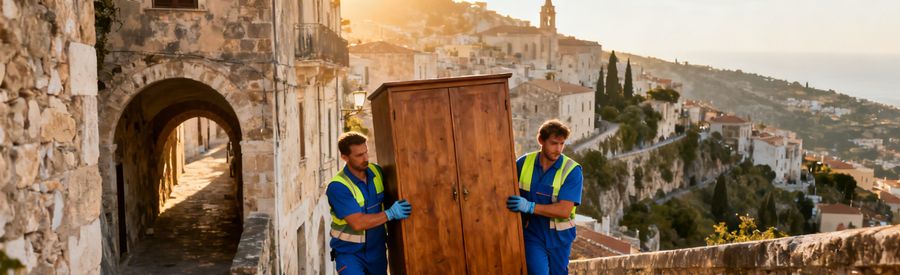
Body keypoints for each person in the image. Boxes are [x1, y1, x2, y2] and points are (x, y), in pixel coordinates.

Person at [327, 132, 412, 275]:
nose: (366, 158)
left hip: (377, 251)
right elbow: (358, 223)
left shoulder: (376, 171)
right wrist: (390, 213)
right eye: (359, 155)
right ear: (344, 157)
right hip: (350, 254)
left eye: (366, 152)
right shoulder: (338, 186)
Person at [507, 120, 583, 275]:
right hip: (533, 234)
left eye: (562, 144)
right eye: (554, 143)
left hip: (560, 239)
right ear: (541, 140)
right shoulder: (524, 163)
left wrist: (529, 206)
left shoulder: (572, 171)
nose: (558, 149)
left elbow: (564, 211)